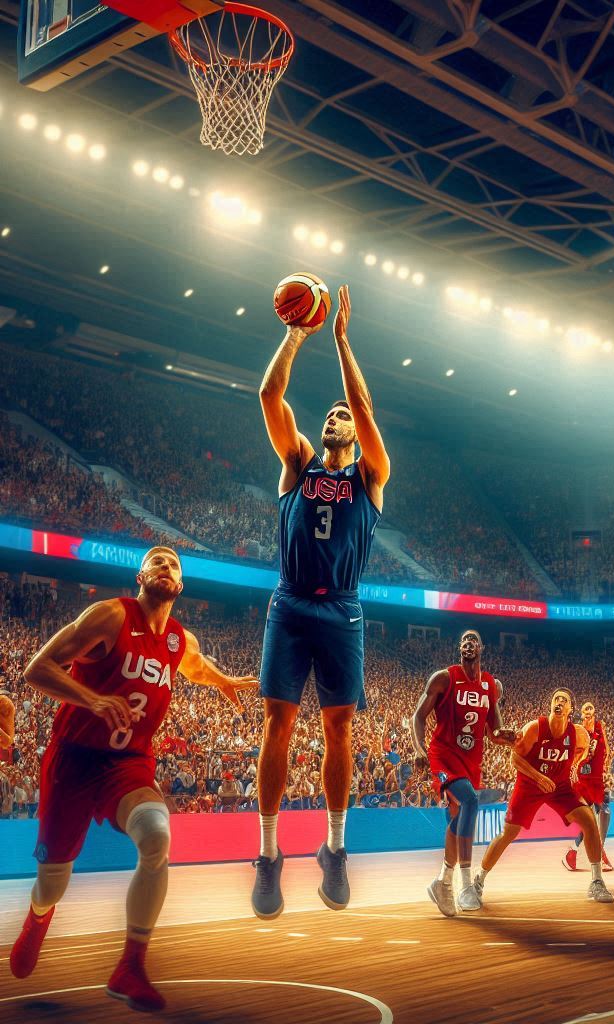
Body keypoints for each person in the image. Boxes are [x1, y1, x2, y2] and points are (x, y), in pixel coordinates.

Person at [9, 547, 257, 1011]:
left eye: (174, 564)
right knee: (52, 883)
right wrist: (92, 699)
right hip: (74, 759)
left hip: (128, 763)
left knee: (157, 836)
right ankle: (39, 917)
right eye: (157, 561)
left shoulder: (181, 641)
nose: (166, 567)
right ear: (140, 575)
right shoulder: (108, 616)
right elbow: (36, 669)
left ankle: (130, 966)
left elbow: (196, 668)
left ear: (180, 586)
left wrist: (222, 679)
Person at [253, 284, 390, 919]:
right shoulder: (299, 462)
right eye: (330, 415)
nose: (336, 418)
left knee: (340, 726)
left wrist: (340, 340)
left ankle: (334, 848)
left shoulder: (370, 476)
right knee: (278, 722)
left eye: (343, 418)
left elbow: (362, 401)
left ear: (356, 436)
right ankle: (270, 855)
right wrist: (297, 334)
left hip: (343, 607)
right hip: (290, 603)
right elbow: (269, 397)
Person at [475, 689, 614, 905]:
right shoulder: (534, 728)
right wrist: (538, 777)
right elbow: (515, 758)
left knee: (589, 820)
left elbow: (583, 752)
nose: (559, 701)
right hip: (530, 785)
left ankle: (597, 881)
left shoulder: (578, 734)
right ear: (550, 705)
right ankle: (478, 881)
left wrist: (573, 767)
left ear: (570, 709)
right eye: (556, 699)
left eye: (564, 700)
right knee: (507, 834)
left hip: (560, 787)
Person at [412, 629, 516, 917]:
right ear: (460, 650)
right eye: (463, 641)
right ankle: (466, 885)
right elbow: (418, 717)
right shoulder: (444, 678)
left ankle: (442, 881)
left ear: (482, 647)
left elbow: (494, 731)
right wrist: (420, 751)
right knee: (470, 802)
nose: (467, 643)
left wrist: (506, 736)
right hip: (443, 757)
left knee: (457, 823)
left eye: (472, 640)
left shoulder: (491, 686)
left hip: (471, 763)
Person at [562, 700, 613, 873]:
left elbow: (606, 751)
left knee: (595, 817)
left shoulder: (599, 727)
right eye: (585, 709)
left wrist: (605, 770)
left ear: (595, 711)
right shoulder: (579, 732)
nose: (588, 712)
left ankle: (573, 851)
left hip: (596, 778)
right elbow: (574, 757)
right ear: (581, 715)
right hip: (583, 779)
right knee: (600, 812)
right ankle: (598, 854)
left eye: (591, 708)